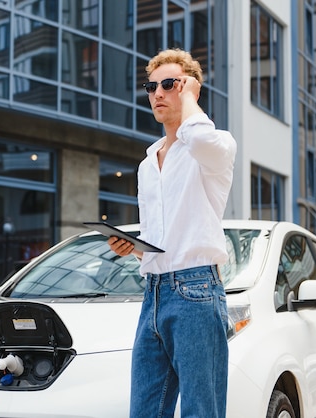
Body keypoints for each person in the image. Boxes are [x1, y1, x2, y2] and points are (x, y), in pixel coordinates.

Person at [108, 48, 237, 418]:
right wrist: (133, 250)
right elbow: (159, 237)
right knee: (145, 412)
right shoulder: (147, 163)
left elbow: (198, 139)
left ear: (190, 90)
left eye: (170, 84)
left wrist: (191, 97)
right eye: (152, 86)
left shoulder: (214, 145)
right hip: (153, 294)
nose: (158, 93)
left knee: (201, 411)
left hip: (196, 294)